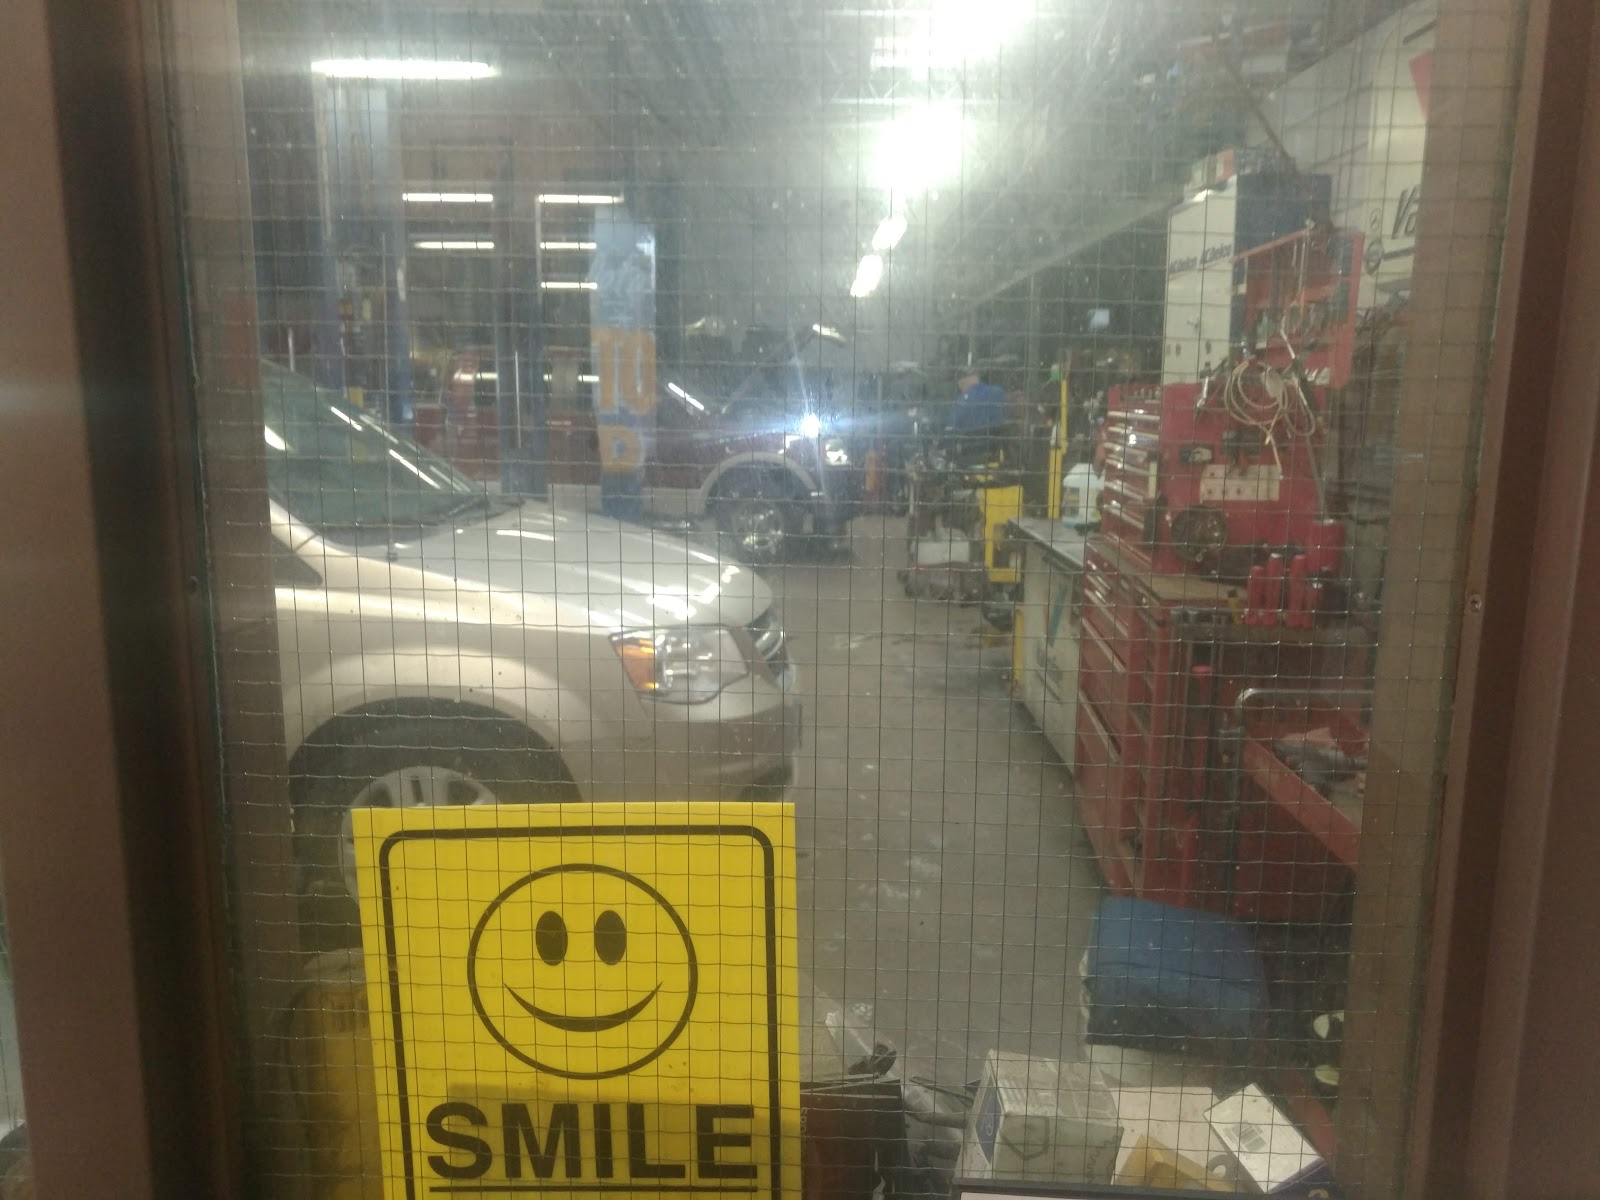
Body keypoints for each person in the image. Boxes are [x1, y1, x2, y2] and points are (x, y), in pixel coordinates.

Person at [944, 368, 1011, 464]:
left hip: (968, 460)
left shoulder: (959, 403)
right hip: (997, 455)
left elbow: (949, 435)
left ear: (962, 381)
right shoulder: (999, 393)